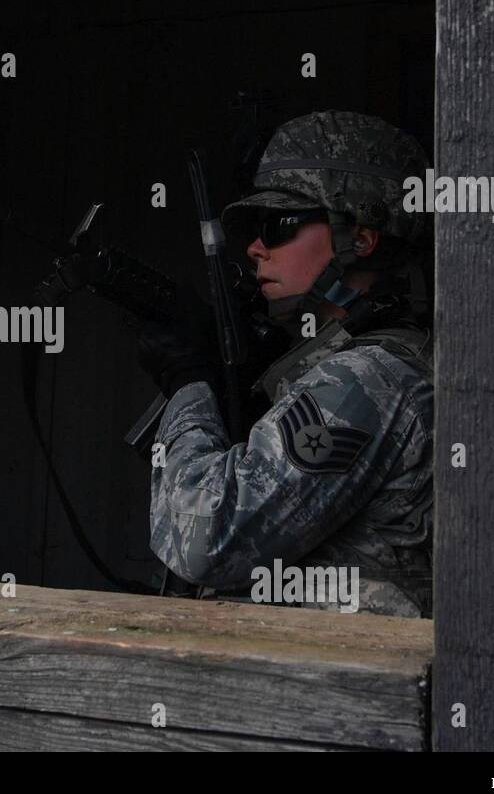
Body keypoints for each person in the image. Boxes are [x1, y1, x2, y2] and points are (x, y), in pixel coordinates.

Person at [137, 111, 435, 617]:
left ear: (359, 239)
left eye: (278, 226)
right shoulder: (343, 364)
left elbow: (202, 539)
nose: (255, 248)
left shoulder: (369, 378)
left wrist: (190, 382)